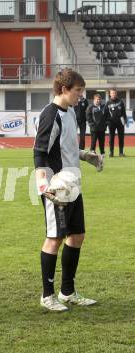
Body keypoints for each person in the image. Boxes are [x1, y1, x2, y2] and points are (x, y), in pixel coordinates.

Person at [33, 68, 103, 312]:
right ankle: (47, 295)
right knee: (55, 238)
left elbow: (67, 147)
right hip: (57, 187)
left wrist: (86, 156)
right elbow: (40, 152)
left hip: (73, 184)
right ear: (64, 89)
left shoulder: (71, 111)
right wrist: (43, 185)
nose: (80, 96)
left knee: (77, 236)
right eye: (77, 91)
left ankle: (68, 292)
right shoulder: (51, 115)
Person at [105, 88, 127, 157]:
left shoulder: (120, 101)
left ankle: (121, 152)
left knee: (121, 138)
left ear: (116, 93)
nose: (113, 94)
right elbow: (106, 114)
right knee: (111, 138)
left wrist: (125, 120)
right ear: (110, 94)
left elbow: (123, 112)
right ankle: (111, 152)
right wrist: (107, 122)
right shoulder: (108, 103)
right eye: (112, 93)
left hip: (120, 123)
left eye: (114, 93)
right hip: (111, 123)